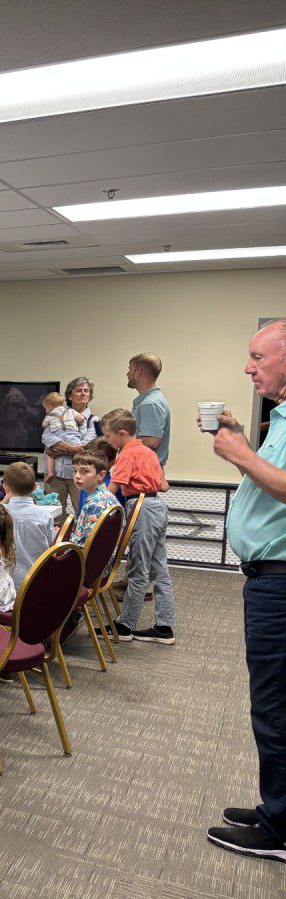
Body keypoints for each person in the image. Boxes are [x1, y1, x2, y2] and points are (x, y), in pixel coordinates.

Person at [205, 319, 286, 861]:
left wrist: (236, 452)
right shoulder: (280, 416)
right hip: (270, 581)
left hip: (280, 587)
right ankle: (276, 807)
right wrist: (246, 438)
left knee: (275, 708)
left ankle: (278, 830)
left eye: (258, 356)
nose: (247, 366)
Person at [102, 412, 175, 644]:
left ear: (122, 433)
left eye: (108, 435)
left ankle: (125, 626)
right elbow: (164, 486)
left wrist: (94, 504)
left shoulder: (126, 455)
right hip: (157, 507)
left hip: (141, 508)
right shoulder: (148, 452)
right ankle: (164, 626)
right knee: (159, 569)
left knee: (138, 569)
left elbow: (114, 487)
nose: (107, 440)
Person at [42, 376, 97, 523]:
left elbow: (86, 447)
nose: (83, 394)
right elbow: (47, 438)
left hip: (80, 475)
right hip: (54, 475)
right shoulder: (56, 415)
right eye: (79, 391)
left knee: (84, 516)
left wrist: (58, 451)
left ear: (90, 396)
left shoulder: (94, 420)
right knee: (54, 518)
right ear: (69, 395)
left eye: (86, 391)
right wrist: (71, 447)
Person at [0, 462, 54, 591]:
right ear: (35, 487)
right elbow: (50, 545)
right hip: (38, 581)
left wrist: (5, 499)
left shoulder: (1, 514)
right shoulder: (45, 515)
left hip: (8, 584)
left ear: (6, 488)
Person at [128, 352, 171, 468]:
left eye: (130, 370)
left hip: (144, 474)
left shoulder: (149, 403)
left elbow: (151, 441)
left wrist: (122, 441)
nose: (127, 374)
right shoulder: (152, 400)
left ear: (138, 373)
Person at [69, 451, 118, 547]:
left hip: (85, 559)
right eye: (75, 470)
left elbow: (89, 545)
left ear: (100, 475)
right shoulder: (102, 495)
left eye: (85, 471)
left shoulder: (96, 505)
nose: (77, 476)